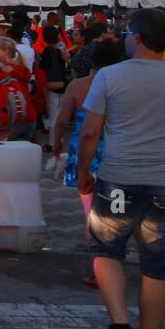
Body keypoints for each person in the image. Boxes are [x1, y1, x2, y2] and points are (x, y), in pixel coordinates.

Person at [77, 8, 165, 329]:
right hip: (164, 182)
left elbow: (89, 132)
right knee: (159, 266)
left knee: (105, 249)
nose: (126, 38)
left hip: (119, 178)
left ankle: (119, 326)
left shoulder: (111, 76)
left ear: (140, 38)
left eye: (130, 33)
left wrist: (84, 172)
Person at [51, 40, 122, 288]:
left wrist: (56, 142)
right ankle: (114, 264)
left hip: (85, 152)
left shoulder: (78, 86)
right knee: (115, 212)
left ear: (91, 63)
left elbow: (61, 120)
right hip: (116, 154)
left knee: (91, 214)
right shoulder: (121, 85)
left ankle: (98, 269)